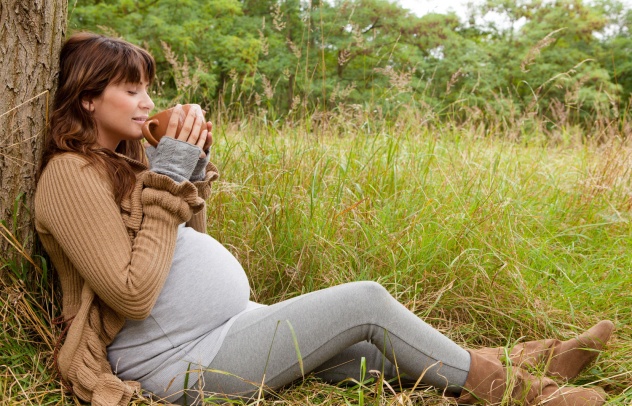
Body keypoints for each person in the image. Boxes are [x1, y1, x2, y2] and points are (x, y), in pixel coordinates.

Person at [34, 32, 614, 406]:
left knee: (382, 357)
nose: (144, 101)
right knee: (364, 303)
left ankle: (533, 359)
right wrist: (168, 179)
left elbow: (181, 247)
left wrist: (188, 179)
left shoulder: (124, 164)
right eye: (130, 89)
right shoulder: (69, 176)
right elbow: (133, 295)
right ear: (88, 98)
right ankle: (524, 392)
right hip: (178, 365)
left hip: (227, 328)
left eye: (147, 89)